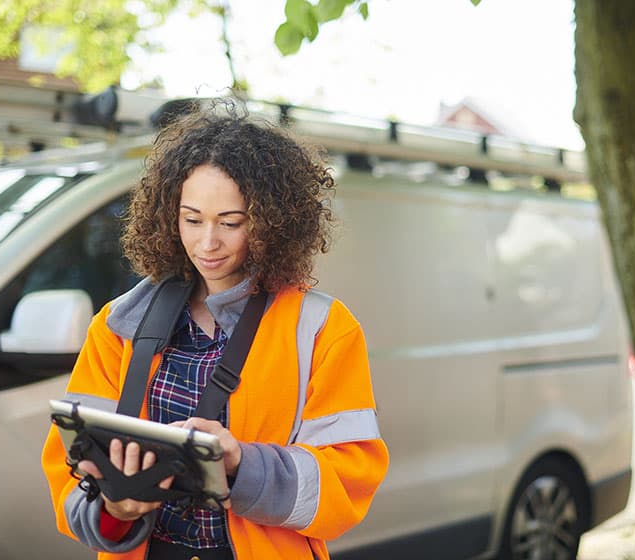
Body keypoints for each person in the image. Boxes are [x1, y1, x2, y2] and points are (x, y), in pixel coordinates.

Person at [41, 103, 390, 560]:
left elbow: (348, 481)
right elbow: (67, 473)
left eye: (231, 222)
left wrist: (243, 464)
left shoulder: (323, 328)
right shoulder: (117, 325)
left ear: (271, 222)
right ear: (169, 216)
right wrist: (115, 509)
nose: (207, 243)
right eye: (192, 219)